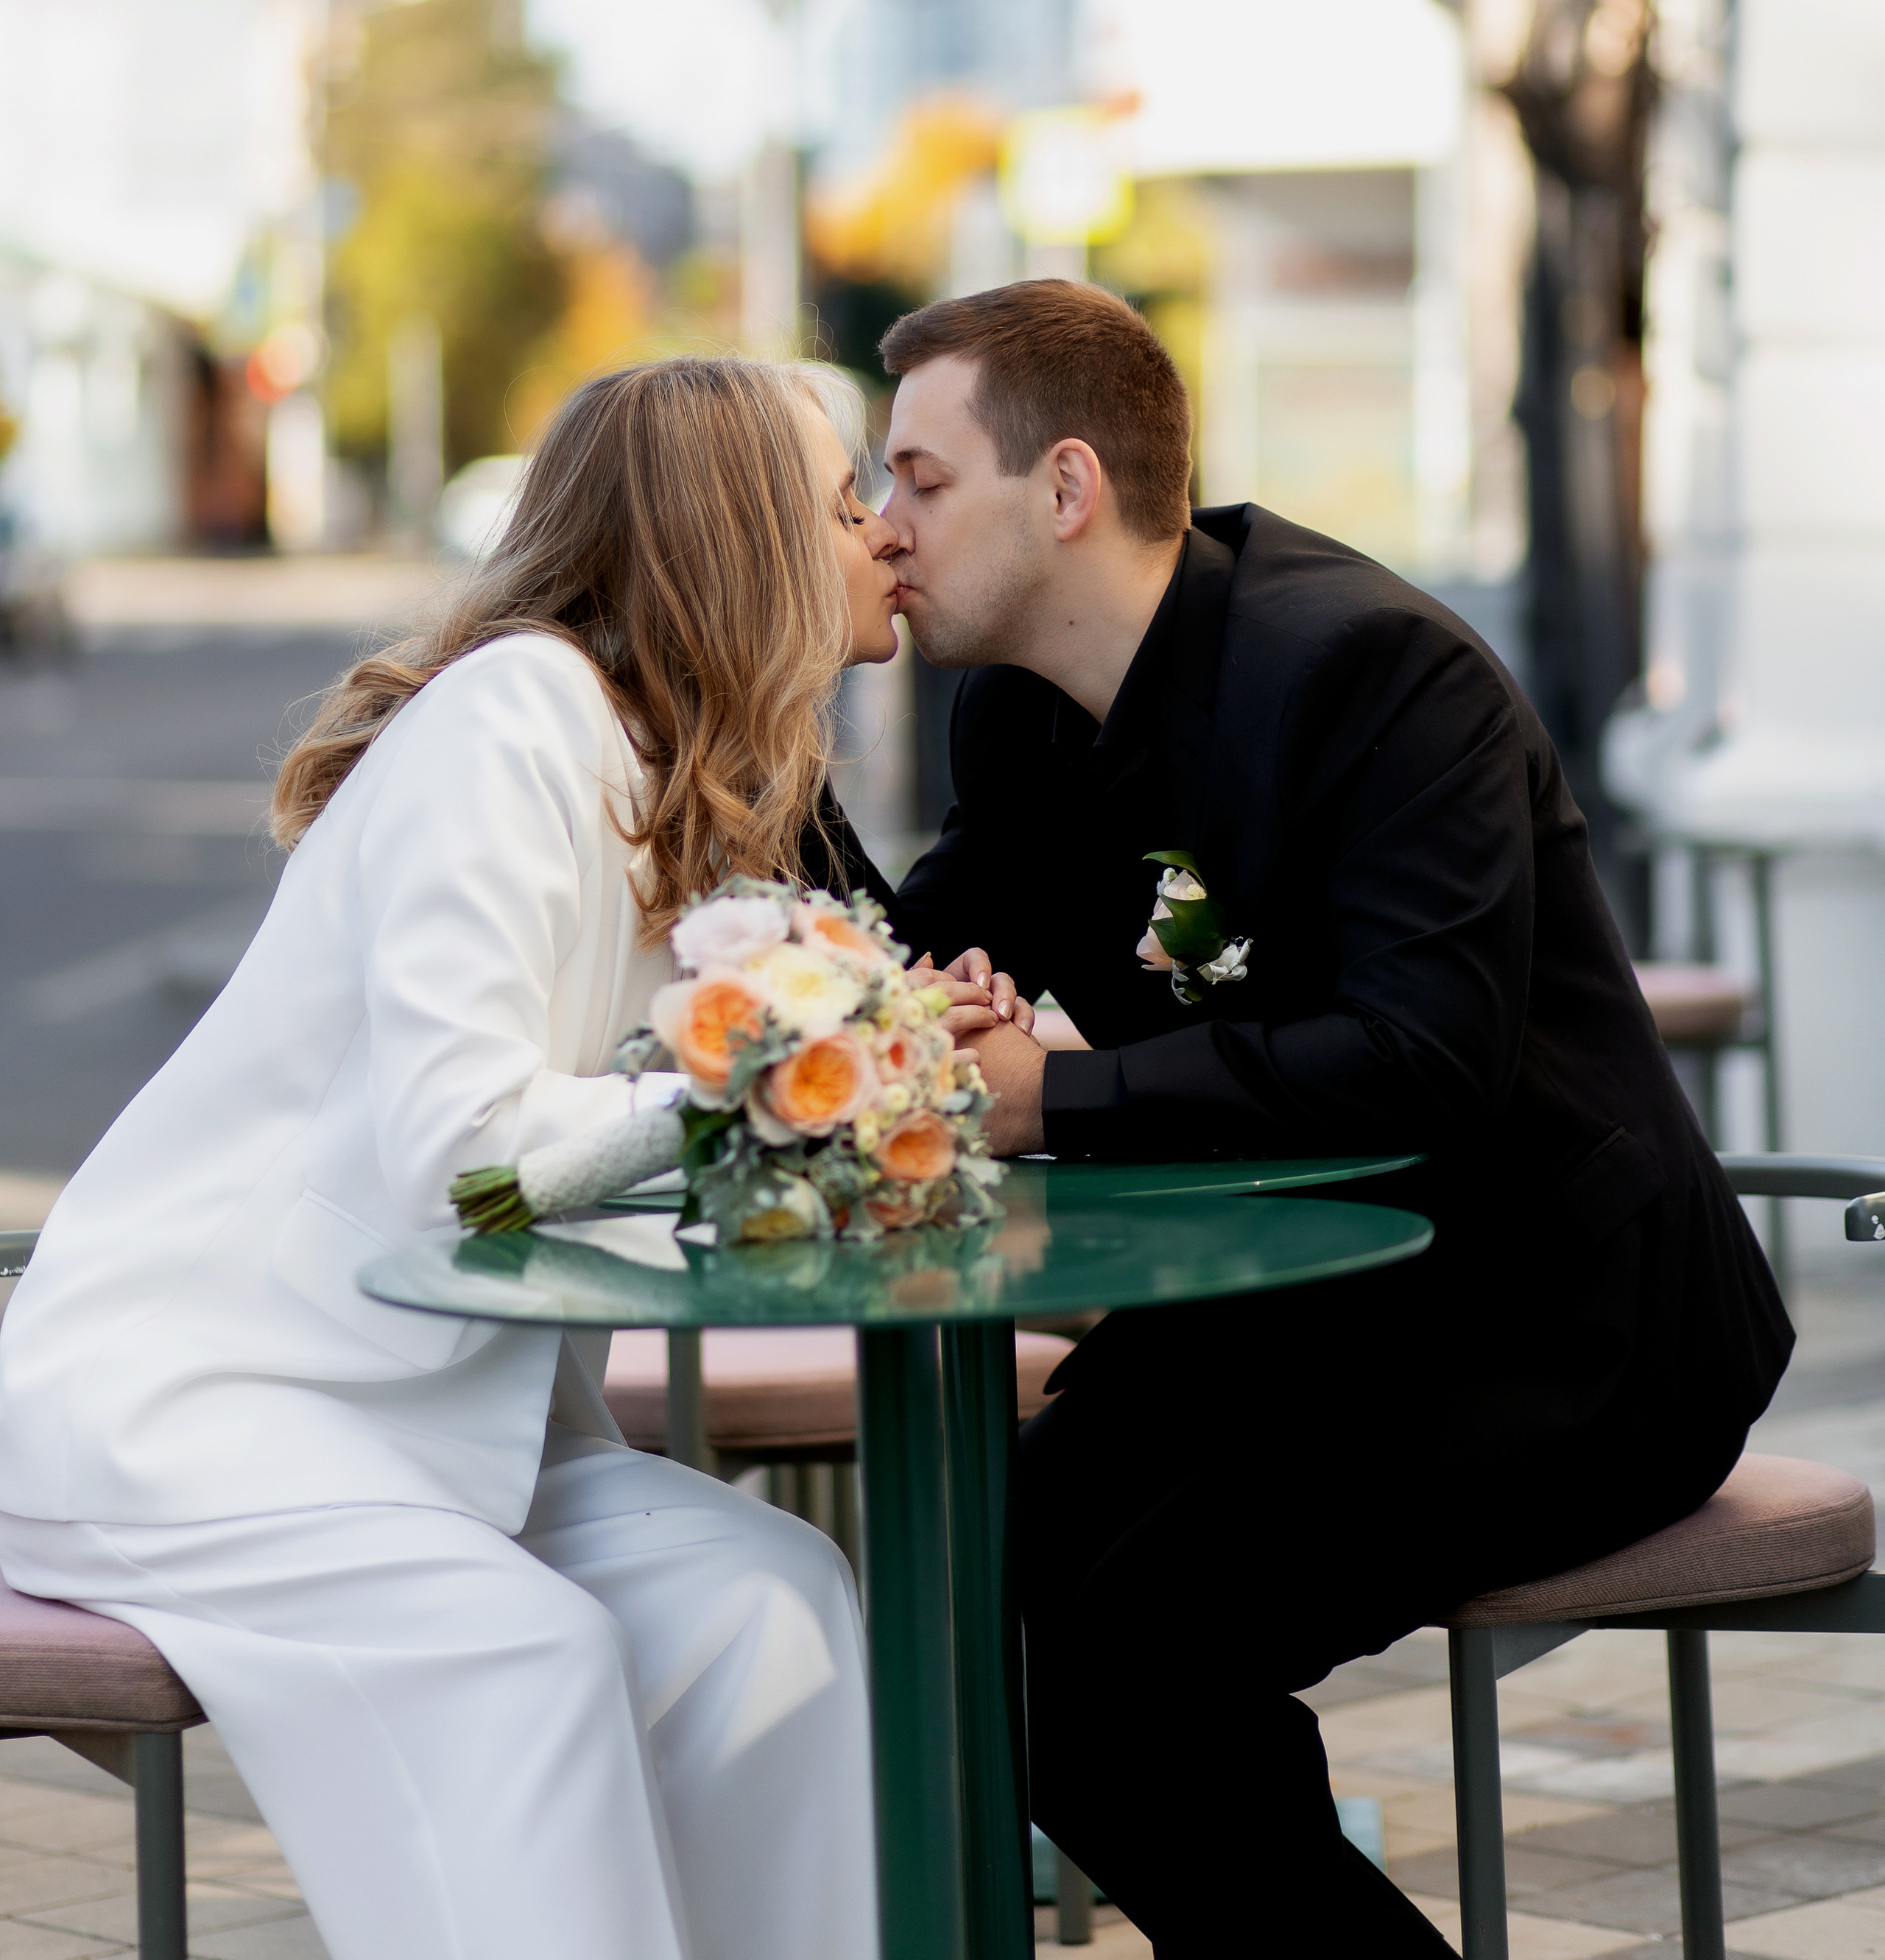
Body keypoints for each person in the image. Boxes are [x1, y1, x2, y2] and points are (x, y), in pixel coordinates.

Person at [0, 356, 984, 1960]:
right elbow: (468, 1152)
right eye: (833, 499)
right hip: (192, 1413)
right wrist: (764, 1097)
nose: (873, 530)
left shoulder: (672, 774)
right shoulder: (516, 719)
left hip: (436, 1429)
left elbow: (671, 1111)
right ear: (734, 536)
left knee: (766, 1600)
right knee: (524, 1664)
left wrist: (889, 1052)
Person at [877, 279, 1794, 1956]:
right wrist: (743, 712)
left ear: (1063, 488)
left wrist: (1047, 1100)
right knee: (970, 1602)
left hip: (1559, 1316)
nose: (881, 530)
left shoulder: (1366, 670)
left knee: (1131, 1650)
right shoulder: (1017, 707)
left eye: (918, 484)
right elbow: (905, 956)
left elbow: (1418, 1058)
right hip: (1297, 1307)